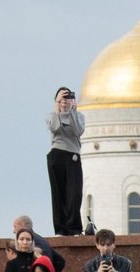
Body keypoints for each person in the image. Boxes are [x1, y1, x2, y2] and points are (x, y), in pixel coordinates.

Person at [47, 87, 86, 236]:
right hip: (57, 155)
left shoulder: (78, 116)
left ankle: (74, 228)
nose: (65, 101)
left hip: (73, 156)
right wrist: (57, 109)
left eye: (68, 97)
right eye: (62, 98)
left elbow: (77, 131)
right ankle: (60, 229)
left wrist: (72, 112)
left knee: (74, 194)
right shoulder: (51, 116)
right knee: (58, 195)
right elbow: (54, 127)